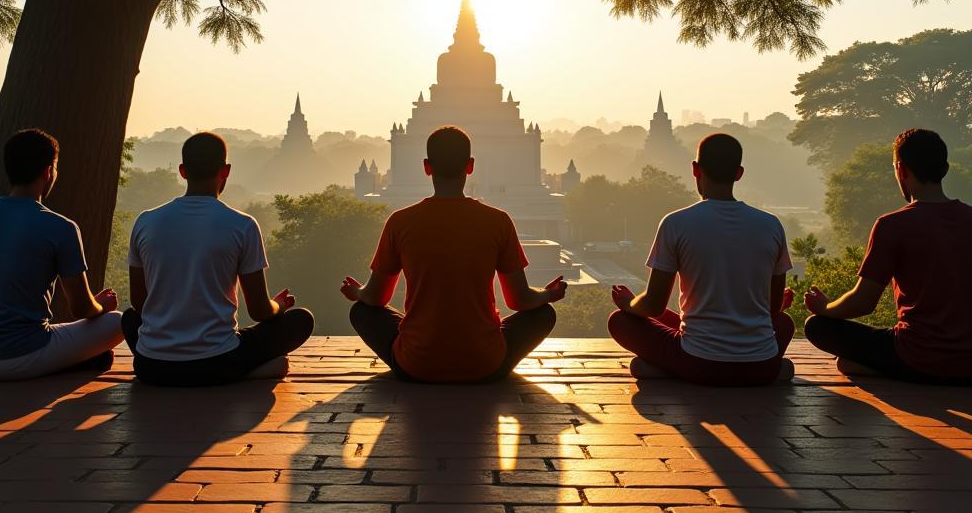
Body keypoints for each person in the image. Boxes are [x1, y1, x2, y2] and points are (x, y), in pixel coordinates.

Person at [340, 125, 566, 383]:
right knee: (543, 313)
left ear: (427, 167)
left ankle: (417, 343)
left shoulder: (400, 222)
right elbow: (519, 300)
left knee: (362, 311)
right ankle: (482, 346)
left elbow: (376, 297)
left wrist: (357, 292)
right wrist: (549, 294)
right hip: (485, 364)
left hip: (416, 364)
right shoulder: (498, 221)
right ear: (470, 166)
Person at [121, 132, 313, 386]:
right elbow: (259, 311)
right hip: (218, 362)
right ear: (226, 171)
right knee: (301, 320)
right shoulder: (242, 225)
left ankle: (215, 370)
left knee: (128, 318)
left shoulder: (146, 221)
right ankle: (246, 371)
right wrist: (278, 306)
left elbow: (139, 302)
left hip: (152, 366)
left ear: (182, 171)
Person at [608, 133, 795, 386]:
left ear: (695, 170)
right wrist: (773, 304)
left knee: (620, 321)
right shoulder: (771, 225)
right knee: (783, 322)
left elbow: (653, 306)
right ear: (739, 173)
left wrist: (629, 304)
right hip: (760, 366)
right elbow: (773, 310)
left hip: (700, 364)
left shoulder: (676, 223)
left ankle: (669, 370)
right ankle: (774, 370)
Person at [0, 129, 123, 381]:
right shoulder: (61, 226)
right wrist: (102, 306)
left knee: (55, 332)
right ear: (48, 171)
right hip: (20, 357)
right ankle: (69, 361)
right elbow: (80, 307)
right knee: (116, 322)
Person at [804, 128, 972, 384]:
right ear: (945, 169)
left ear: (901, 170)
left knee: (817, 326)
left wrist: (825, 307)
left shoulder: (892, 225)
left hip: (916, 355)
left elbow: (863, 302)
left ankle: (893, 369)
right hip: (968, 362)